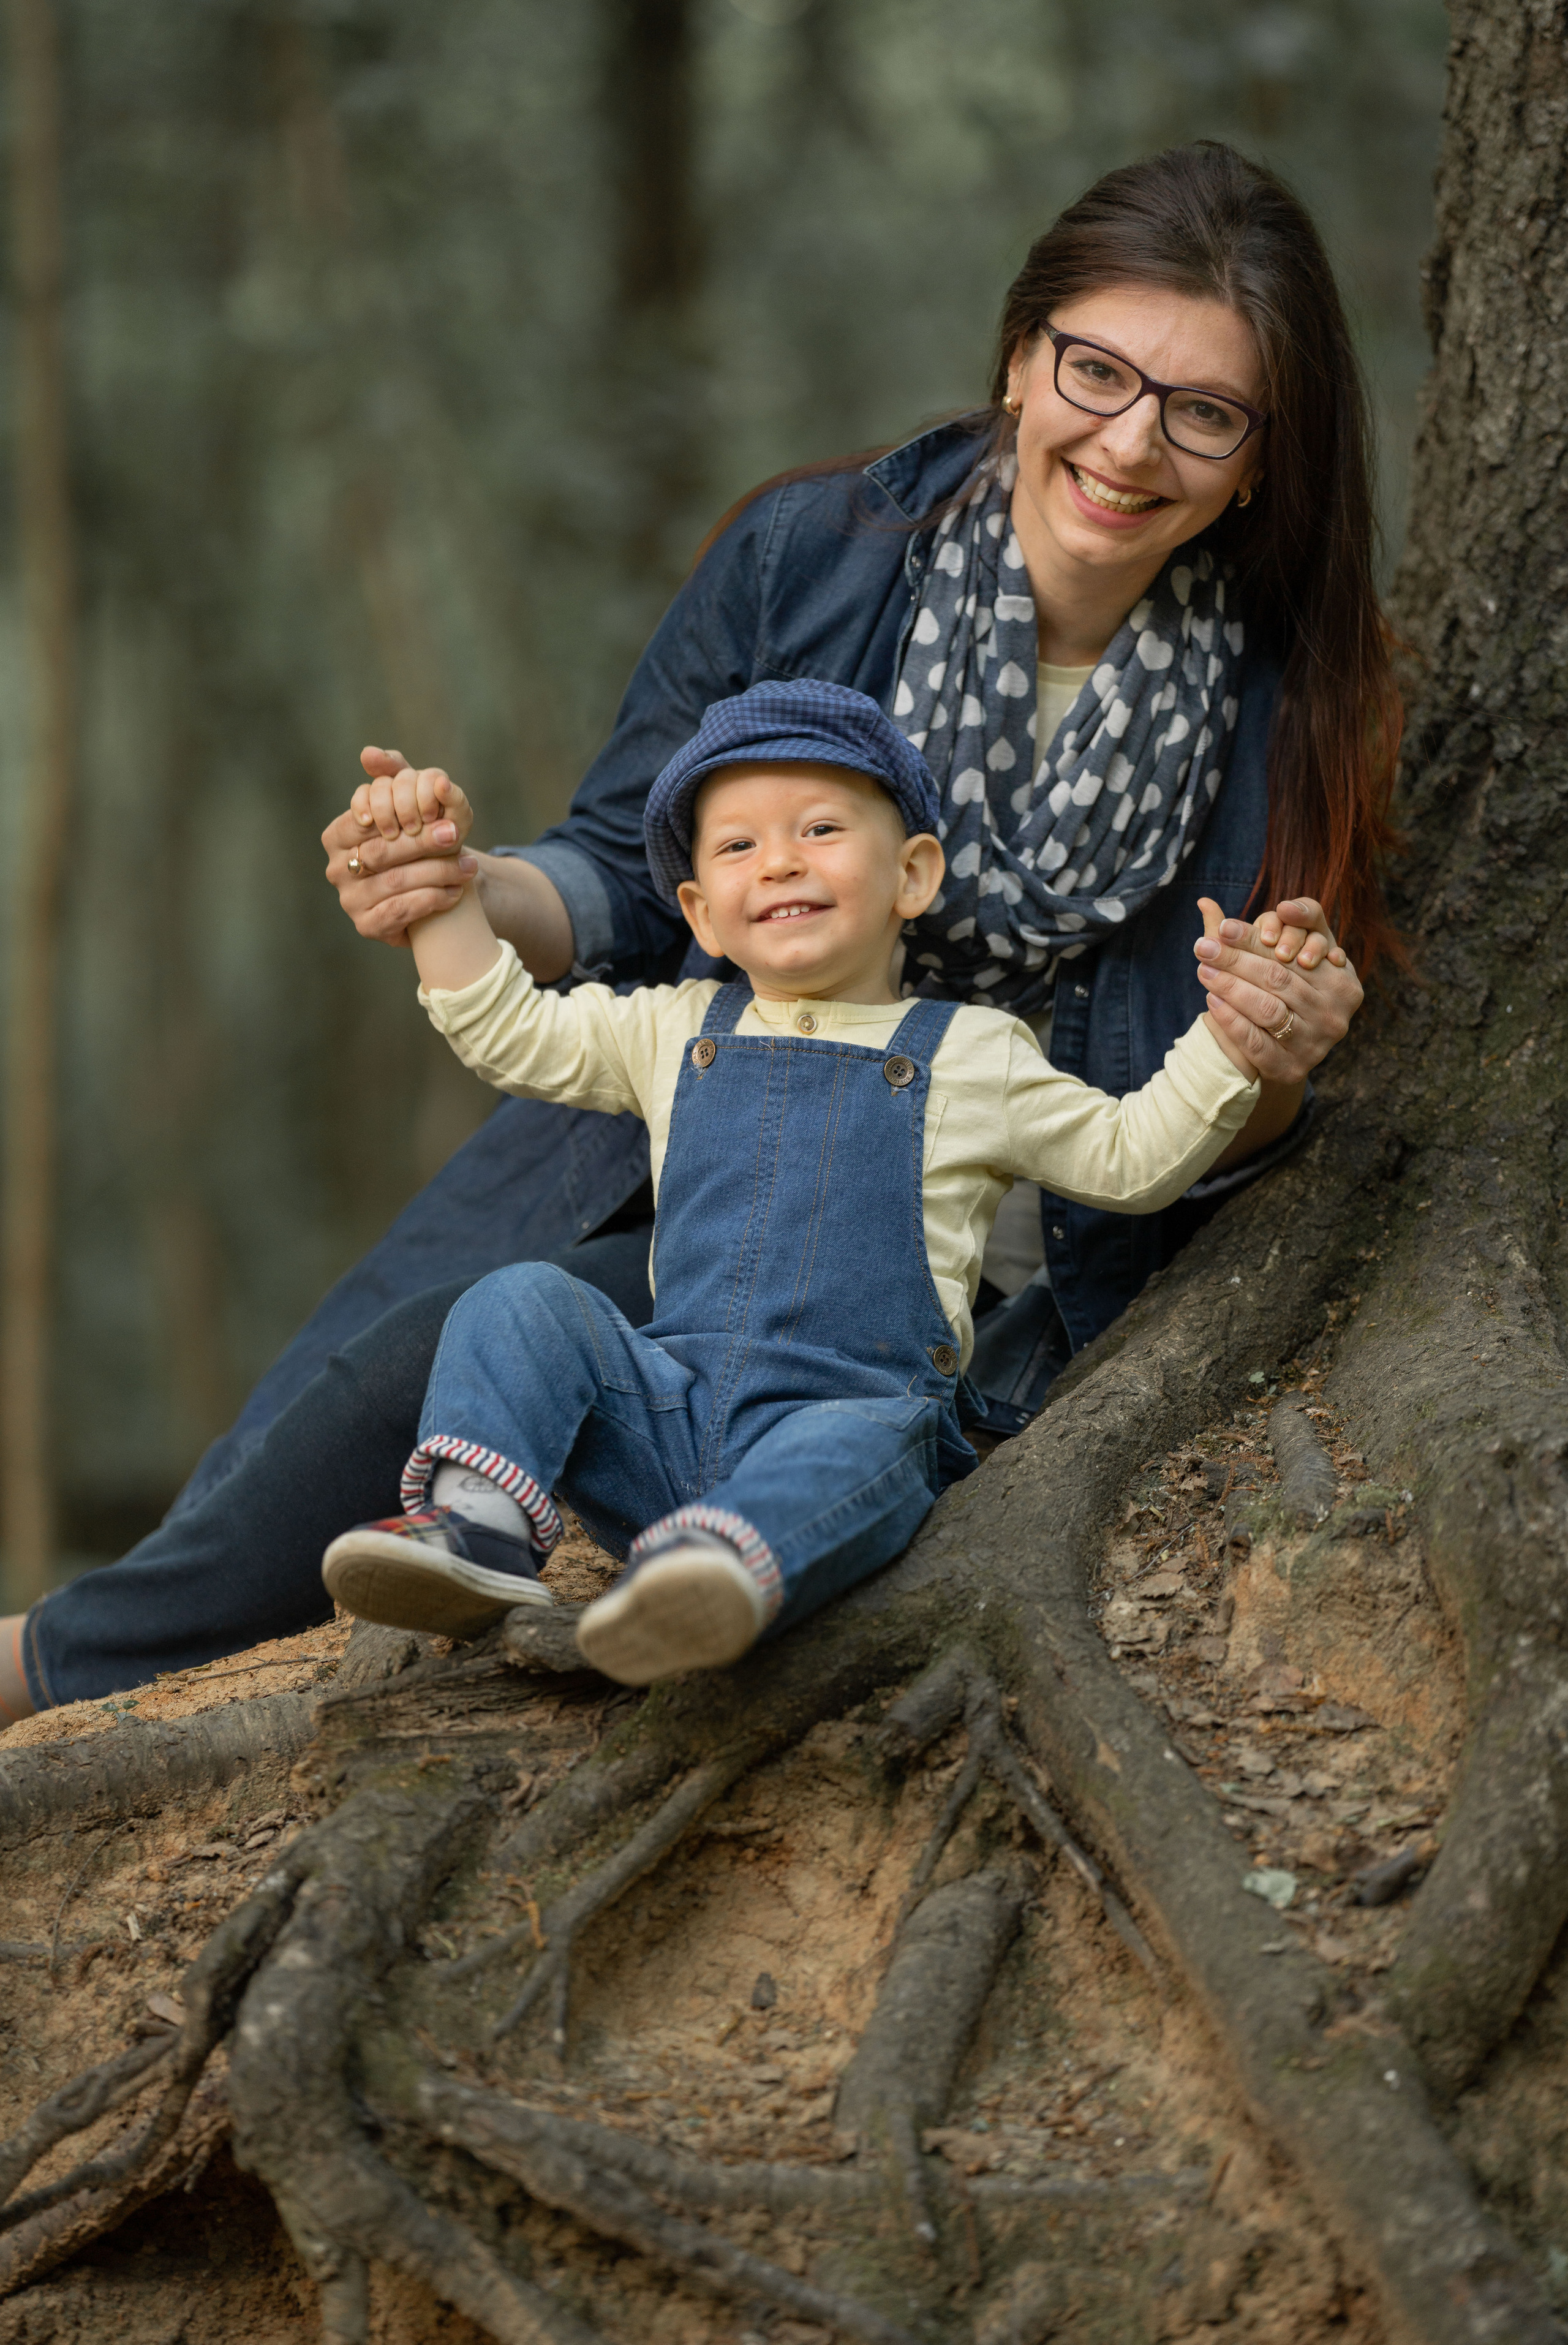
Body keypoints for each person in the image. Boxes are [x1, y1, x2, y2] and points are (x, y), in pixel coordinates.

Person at [0, 140, 1387, 1721]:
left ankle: (723, 1564)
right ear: (1021, 359)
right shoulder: (816, 554)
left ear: (1262, 458)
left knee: (828, 1430)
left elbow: (1215, 1116)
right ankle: (59, 1664)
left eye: (1201, 411)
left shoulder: (1301, 703)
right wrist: (458, 890)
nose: (1130, 442)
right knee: (444, 1337)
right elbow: (608, 870)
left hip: (1004, 1263)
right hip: (711, 1148)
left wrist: (1270, 1055)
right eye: (1097, 371)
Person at [319, 680, 1275, 1685]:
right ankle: (477, 1529)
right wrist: (440, 894)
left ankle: (712, 1574)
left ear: (912, 873)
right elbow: (509, 1029)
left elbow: (1129, 1160)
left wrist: (1236, 1041)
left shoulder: (975, 1054)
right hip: (667, 1417)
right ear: (702, 914)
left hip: (852, 1422)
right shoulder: (672, 1027)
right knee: (521, 1300)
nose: (778, 860)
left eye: (819, 829)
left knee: (860, 1442)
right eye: (736, 847)